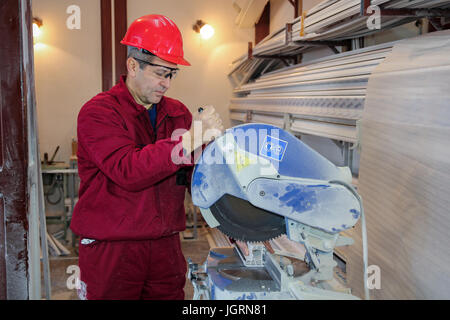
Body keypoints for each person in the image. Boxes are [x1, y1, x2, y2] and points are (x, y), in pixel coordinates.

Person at [70, 14, 223, 300]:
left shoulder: (177, 113)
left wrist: (231, 209)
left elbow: (195, 176)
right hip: (112, 248)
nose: (166, 83)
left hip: (165, 247)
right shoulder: (99, 112)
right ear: (132, 65)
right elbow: (128, 169)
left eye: (171, 74)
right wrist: (190, 139)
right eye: (160, 73)